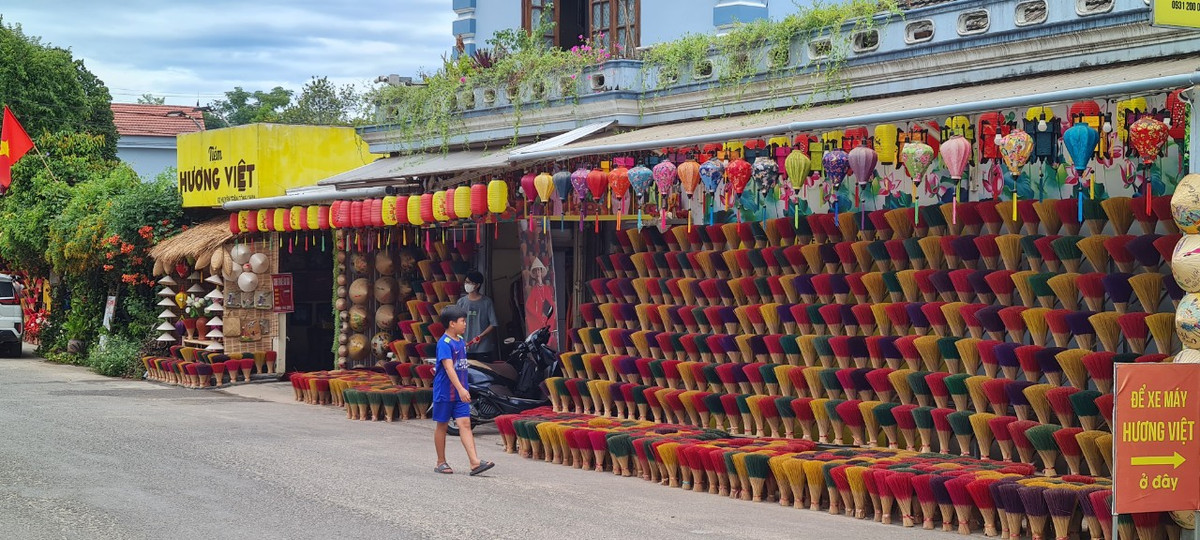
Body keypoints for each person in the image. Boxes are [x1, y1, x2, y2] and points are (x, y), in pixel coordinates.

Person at [432, 305, 495, 476]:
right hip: (446, 392)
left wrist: (463, 389)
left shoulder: (459, 341)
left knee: (465, 424)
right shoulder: (444, 343)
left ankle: (474, 462)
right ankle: (440, 461)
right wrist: (460, 389)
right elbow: (449, 368)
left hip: (461, 391)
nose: (465, 324)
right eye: (462, 321)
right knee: (442, 425)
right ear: (452, 324)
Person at [456, 270, 498, 362]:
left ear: (477, 285)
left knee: (484, 374)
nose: (466, 284)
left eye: (469, 282)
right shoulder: (461, 302)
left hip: (483, 348)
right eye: (466, 282)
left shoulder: (487, 302)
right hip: (466, 346)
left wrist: (481, 336)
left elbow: (493, 323)